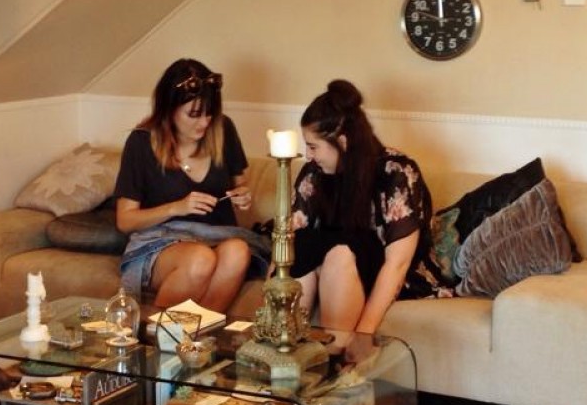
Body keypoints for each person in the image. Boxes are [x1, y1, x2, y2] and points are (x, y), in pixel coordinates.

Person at [291, 79, 452, 341]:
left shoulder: (395, 172)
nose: (308, 156)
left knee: (339, 255)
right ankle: (282, 349)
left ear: (342, 142)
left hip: (380, 268)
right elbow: (288, 238)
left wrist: (363, 334)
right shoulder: (314, 173)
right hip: (337, 263)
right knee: (301, 244)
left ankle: (338, 353)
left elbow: (397, 264)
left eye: (312, 146)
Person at [115, 58, 269, 312]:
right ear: (169, 109)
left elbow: (240, 183)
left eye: (209, 113)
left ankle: (195, 333)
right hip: (160, 242)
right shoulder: (141, 142)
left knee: (238, 252)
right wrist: (177, 207)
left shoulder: (223, 129)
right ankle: (161, 332)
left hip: (218, 236)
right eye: (194, 114)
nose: (204, 122)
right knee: (200, 259)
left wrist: (242, 195)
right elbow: (125, 220)